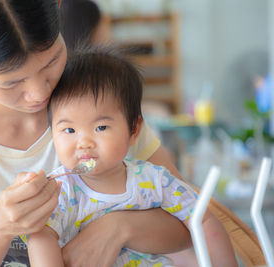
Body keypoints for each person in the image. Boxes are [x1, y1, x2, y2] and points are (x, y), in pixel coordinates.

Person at [0, 0, 231, 266]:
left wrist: (118, 227)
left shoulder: (98, 100)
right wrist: (0, 226)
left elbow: (191, 224)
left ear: (57, 8)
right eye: (11, 83)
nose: (40, 94)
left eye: (51, 61)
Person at [27, 48, 237, 266]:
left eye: (100, 127)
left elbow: (202, 219)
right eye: (69, 130)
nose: (84, 142)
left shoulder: (154, 180)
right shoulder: (60, 189)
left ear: (134, 130)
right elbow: (40, 237)